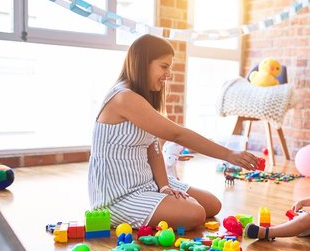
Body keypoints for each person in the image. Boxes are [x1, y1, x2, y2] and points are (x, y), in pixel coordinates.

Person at [88, 34, 258, 230]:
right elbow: (177, 134)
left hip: (146, 184)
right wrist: (229, 154)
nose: (168, 74)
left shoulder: (141, 98)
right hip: (118, 196)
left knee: (212, 204)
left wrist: (164, 186)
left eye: (169, 67)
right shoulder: (124, 98)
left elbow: (153, 150)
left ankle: (161, 194)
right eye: (164, 66)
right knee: (196, 213)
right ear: (143, 63)